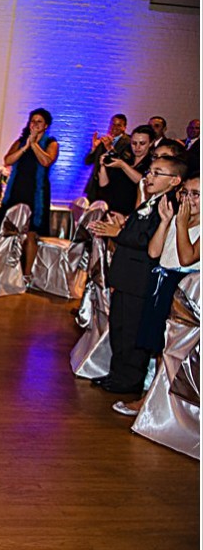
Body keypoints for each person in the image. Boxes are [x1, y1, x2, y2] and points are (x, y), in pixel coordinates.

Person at [88, 155, 185, 394]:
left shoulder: (169, 205)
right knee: (119, 328)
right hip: (126, 275)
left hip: (140, 279)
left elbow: (149, 242)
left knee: (131, 332)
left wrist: (118, 234)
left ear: (174, 181)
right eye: (150, 171)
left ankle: (128, 380)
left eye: (157, 173)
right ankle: (116, 373)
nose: (149, 177)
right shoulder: (151, 201)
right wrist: (122, 225)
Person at [113, 171, 199, 416]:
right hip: (162, 282)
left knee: (172, 351)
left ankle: (162, 405)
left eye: (196, 194)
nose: (189, 199)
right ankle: (150, 400)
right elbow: (153, 252)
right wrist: (165, 222)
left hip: (184, 292)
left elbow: (187, 257)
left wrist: (180, 224)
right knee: (157, 346)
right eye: (186, 193)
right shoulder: (175, 219)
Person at [0, 108, 59, 278]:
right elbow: (8, 160)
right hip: (18, 189)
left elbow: (46, 161)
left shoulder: (51, 143)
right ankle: (7, 269)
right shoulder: (20, 142)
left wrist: (34, 144)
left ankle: (26, 275)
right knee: (11, 230)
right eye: (32, 121)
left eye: (39, 121)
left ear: (46, 125)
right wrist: (26, 146)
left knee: (31, 234)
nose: (35, 124)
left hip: (37, 193)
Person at [97, 125, 154, 217]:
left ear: (151, 143)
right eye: (134, 143)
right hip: (111, 208)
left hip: (130, 212)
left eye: (142, 143)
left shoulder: (151, 164)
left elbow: (143, 181)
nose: (137, 147)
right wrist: (103, 166)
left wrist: (123, 165)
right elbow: (104, 185)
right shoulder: (125, 159)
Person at [84, 113, 129, 201]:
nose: (114, 127)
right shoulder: (103, 140)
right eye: (113, 124)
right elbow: (88, 161)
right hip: (95, 187)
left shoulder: (128, 142)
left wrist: (110, 148)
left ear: (124, 127)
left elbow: (124, 162)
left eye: (118, 125)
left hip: (112, 187)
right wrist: (93, 148)